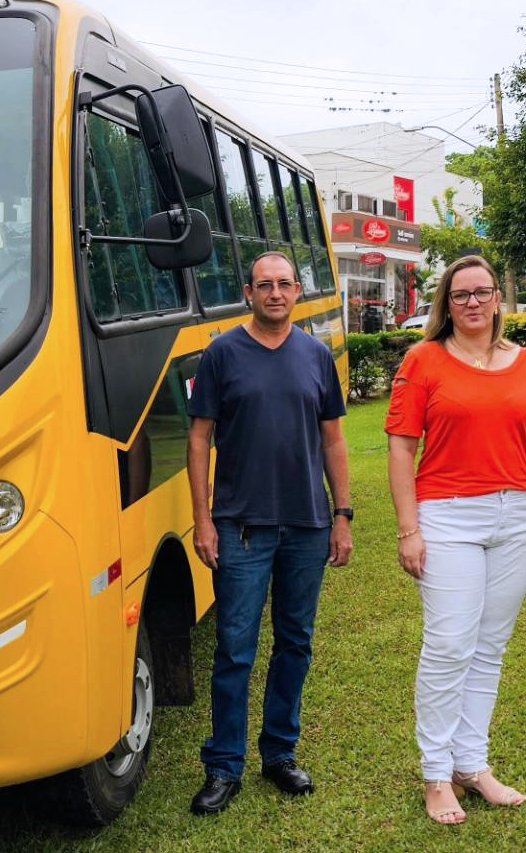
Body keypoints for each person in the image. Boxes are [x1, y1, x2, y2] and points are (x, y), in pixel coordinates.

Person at [385, 255, 526, 825]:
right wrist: (409, 529)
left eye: (482, 293)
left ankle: (472, 763)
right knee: (448, 646)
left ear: (498, 299)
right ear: (447, 301)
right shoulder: (423, 361)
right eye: (460, 294)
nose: (472, 303)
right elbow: (400, 448)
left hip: (519, 516)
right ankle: (436, 774)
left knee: (489, 647)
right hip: (446, 518)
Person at [185, 250, 353, 816]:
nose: (275, 293)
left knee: (295, 644)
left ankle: (279, 753)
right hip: (241, 528)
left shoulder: (315, 357)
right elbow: (200, 440)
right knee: (235, 648)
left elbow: (333, 440)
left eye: (285, 284)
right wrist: (203, 519)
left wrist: (343, 515)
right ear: (248, 293)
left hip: (307, 524)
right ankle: (223, 766)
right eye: (265, 285)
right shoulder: (221, 354)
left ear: (297, 292)